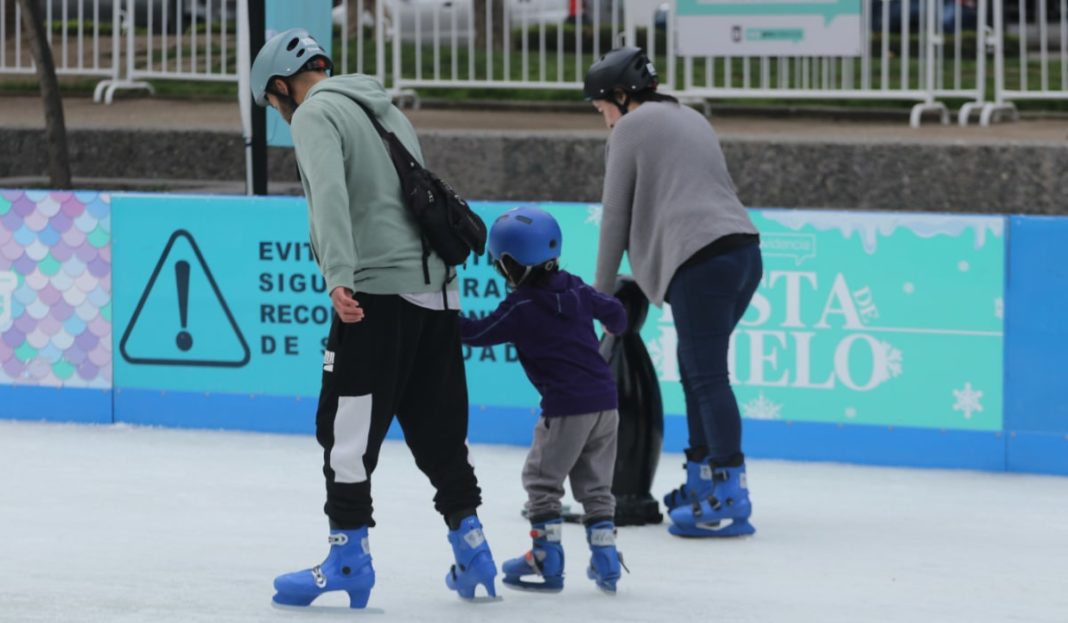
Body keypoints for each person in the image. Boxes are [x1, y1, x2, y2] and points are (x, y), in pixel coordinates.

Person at [250, 28, 498, 608]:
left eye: (272, 105)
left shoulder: (315, 115)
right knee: (438, 428)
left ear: (283, 85)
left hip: (376, 294)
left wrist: (338, 274)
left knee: (346, 431)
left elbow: (329, 196)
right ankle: (473, 545)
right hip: (438, 291)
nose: (280, 117)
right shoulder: (380, 106)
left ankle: (347, 559)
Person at [584, 47, 763, 538]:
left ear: (621, 96)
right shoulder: (690, 116)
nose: (601, 116)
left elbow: (615, 216)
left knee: (706, 376)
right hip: (743, 252)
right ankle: (704, 477)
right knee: (697, 372)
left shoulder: (631, 129)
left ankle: (728, 490)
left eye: (601, 105)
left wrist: (600, 298)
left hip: (700, 259)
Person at [459, 206, 628, 594]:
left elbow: (477, 332)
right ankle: (606, 560)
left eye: (501, 265)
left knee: (542, 481)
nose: (501, 274)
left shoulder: (521, 306)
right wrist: (612, 322)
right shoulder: (576, 287)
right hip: (606, 402)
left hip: (566, 407)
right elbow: (617, 315)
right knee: (595, 485)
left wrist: (436, 318)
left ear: (511, 263)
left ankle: (546, 559)